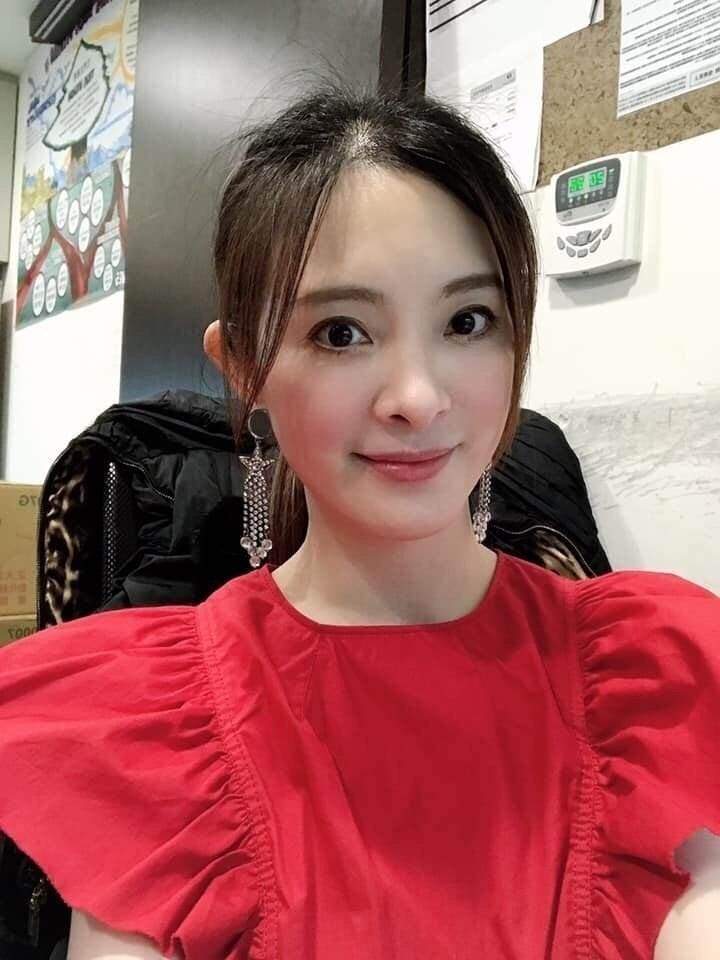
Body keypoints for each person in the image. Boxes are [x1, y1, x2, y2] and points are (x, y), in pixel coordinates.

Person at [0, 76, 718, 960]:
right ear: (245, 370)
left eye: (469, 320)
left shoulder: (653, 678)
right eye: (341, 332)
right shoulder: (152, 731)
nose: (417, 397)